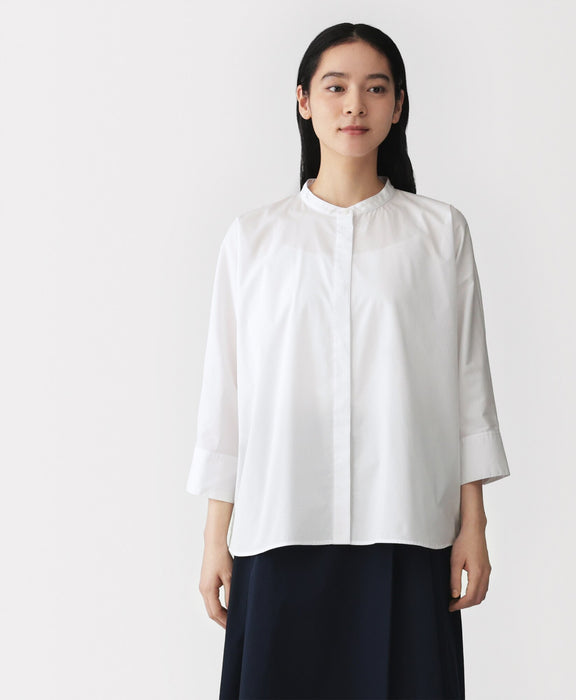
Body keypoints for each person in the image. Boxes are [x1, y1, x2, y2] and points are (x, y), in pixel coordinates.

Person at [186, 22, 511, 700]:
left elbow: (467, 386)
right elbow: (227, 397)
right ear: (304, 100)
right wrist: (217, 536)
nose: (354, 105)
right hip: (279, 523)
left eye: (375, 89)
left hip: (406, 524)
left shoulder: (439, 232)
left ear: (398, 106)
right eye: (335, 88)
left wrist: (473, 525)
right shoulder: (253, 240)